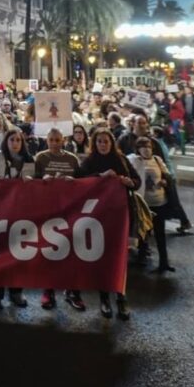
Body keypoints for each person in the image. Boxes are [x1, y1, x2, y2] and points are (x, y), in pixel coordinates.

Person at [81, 127, 139, 319]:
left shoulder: (121, 160)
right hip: (98, 217)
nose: (103, 145)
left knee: (120, 258)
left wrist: (128, 181)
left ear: (111, 143)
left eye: (106, 141)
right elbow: (78, 179)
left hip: (120, 215)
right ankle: (104, 299)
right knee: (102, 258)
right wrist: (100, 177)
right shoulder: (89, 162)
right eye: (99, 141)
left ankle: (121, 299)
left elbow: (136, 181)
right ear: (94, 143)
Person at [0, 127, 35, 313]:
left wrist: (31, 181)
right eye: (11, 139)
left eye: (18, 140)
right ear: (6, 141)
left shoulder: (29, 160)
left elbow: (34, 185)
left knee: (17, 254)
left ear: (22, 143)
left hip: (20, 214)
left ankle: (16, 292)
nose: (15, 143)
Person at [34, 127, 82, 311]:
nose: (54, 143)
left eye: (57, 139)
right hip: (48, 211)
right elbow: (31, 182)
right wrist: (42, 180)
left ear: (63, 140)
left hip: (70, 211)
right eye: (51, 139)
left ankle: (73, 291)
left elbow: (83, 181)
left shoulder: (72, 158)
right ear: (47, 141)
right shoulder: (40, 158)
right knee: (50, 253)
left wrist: (73, 181)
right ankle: (48, 290)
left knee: (72, 252)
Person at [127, 135, 174, 275]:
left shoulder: (158, 160)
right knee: (143, 232)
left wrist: (166, 181)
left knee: (160, 233)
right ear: (138, 149)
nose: (146, 150)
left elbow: (168, 175)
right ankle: (142, 258)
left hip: (159, 202)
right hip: (143, 204)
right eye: (143, 147)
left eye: (148, 147)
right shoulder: (134, 160)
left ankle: (164, 262)